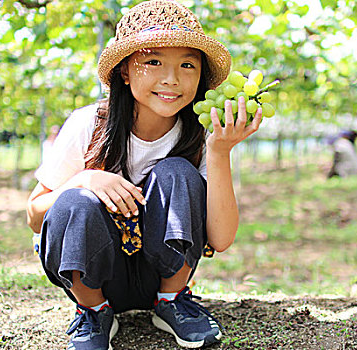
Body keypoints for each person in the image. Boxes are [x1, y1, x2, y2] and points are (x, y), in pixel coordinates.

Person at [26, 1, 263, 349]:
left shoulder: (199, 134)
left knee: (178, 173)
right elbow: (34, 216)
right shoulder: (89, 124)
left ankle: (171, 302)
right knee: (75, 199)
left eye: (187, 65)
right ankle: (93, 313)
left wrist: (219, 152)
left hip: (162, 274)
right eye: (153, 62)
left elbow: (221, 238)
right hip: (98, 276)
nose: (171, 78)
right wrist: (83, 180)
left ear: (200, 77)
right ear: (124, 71)